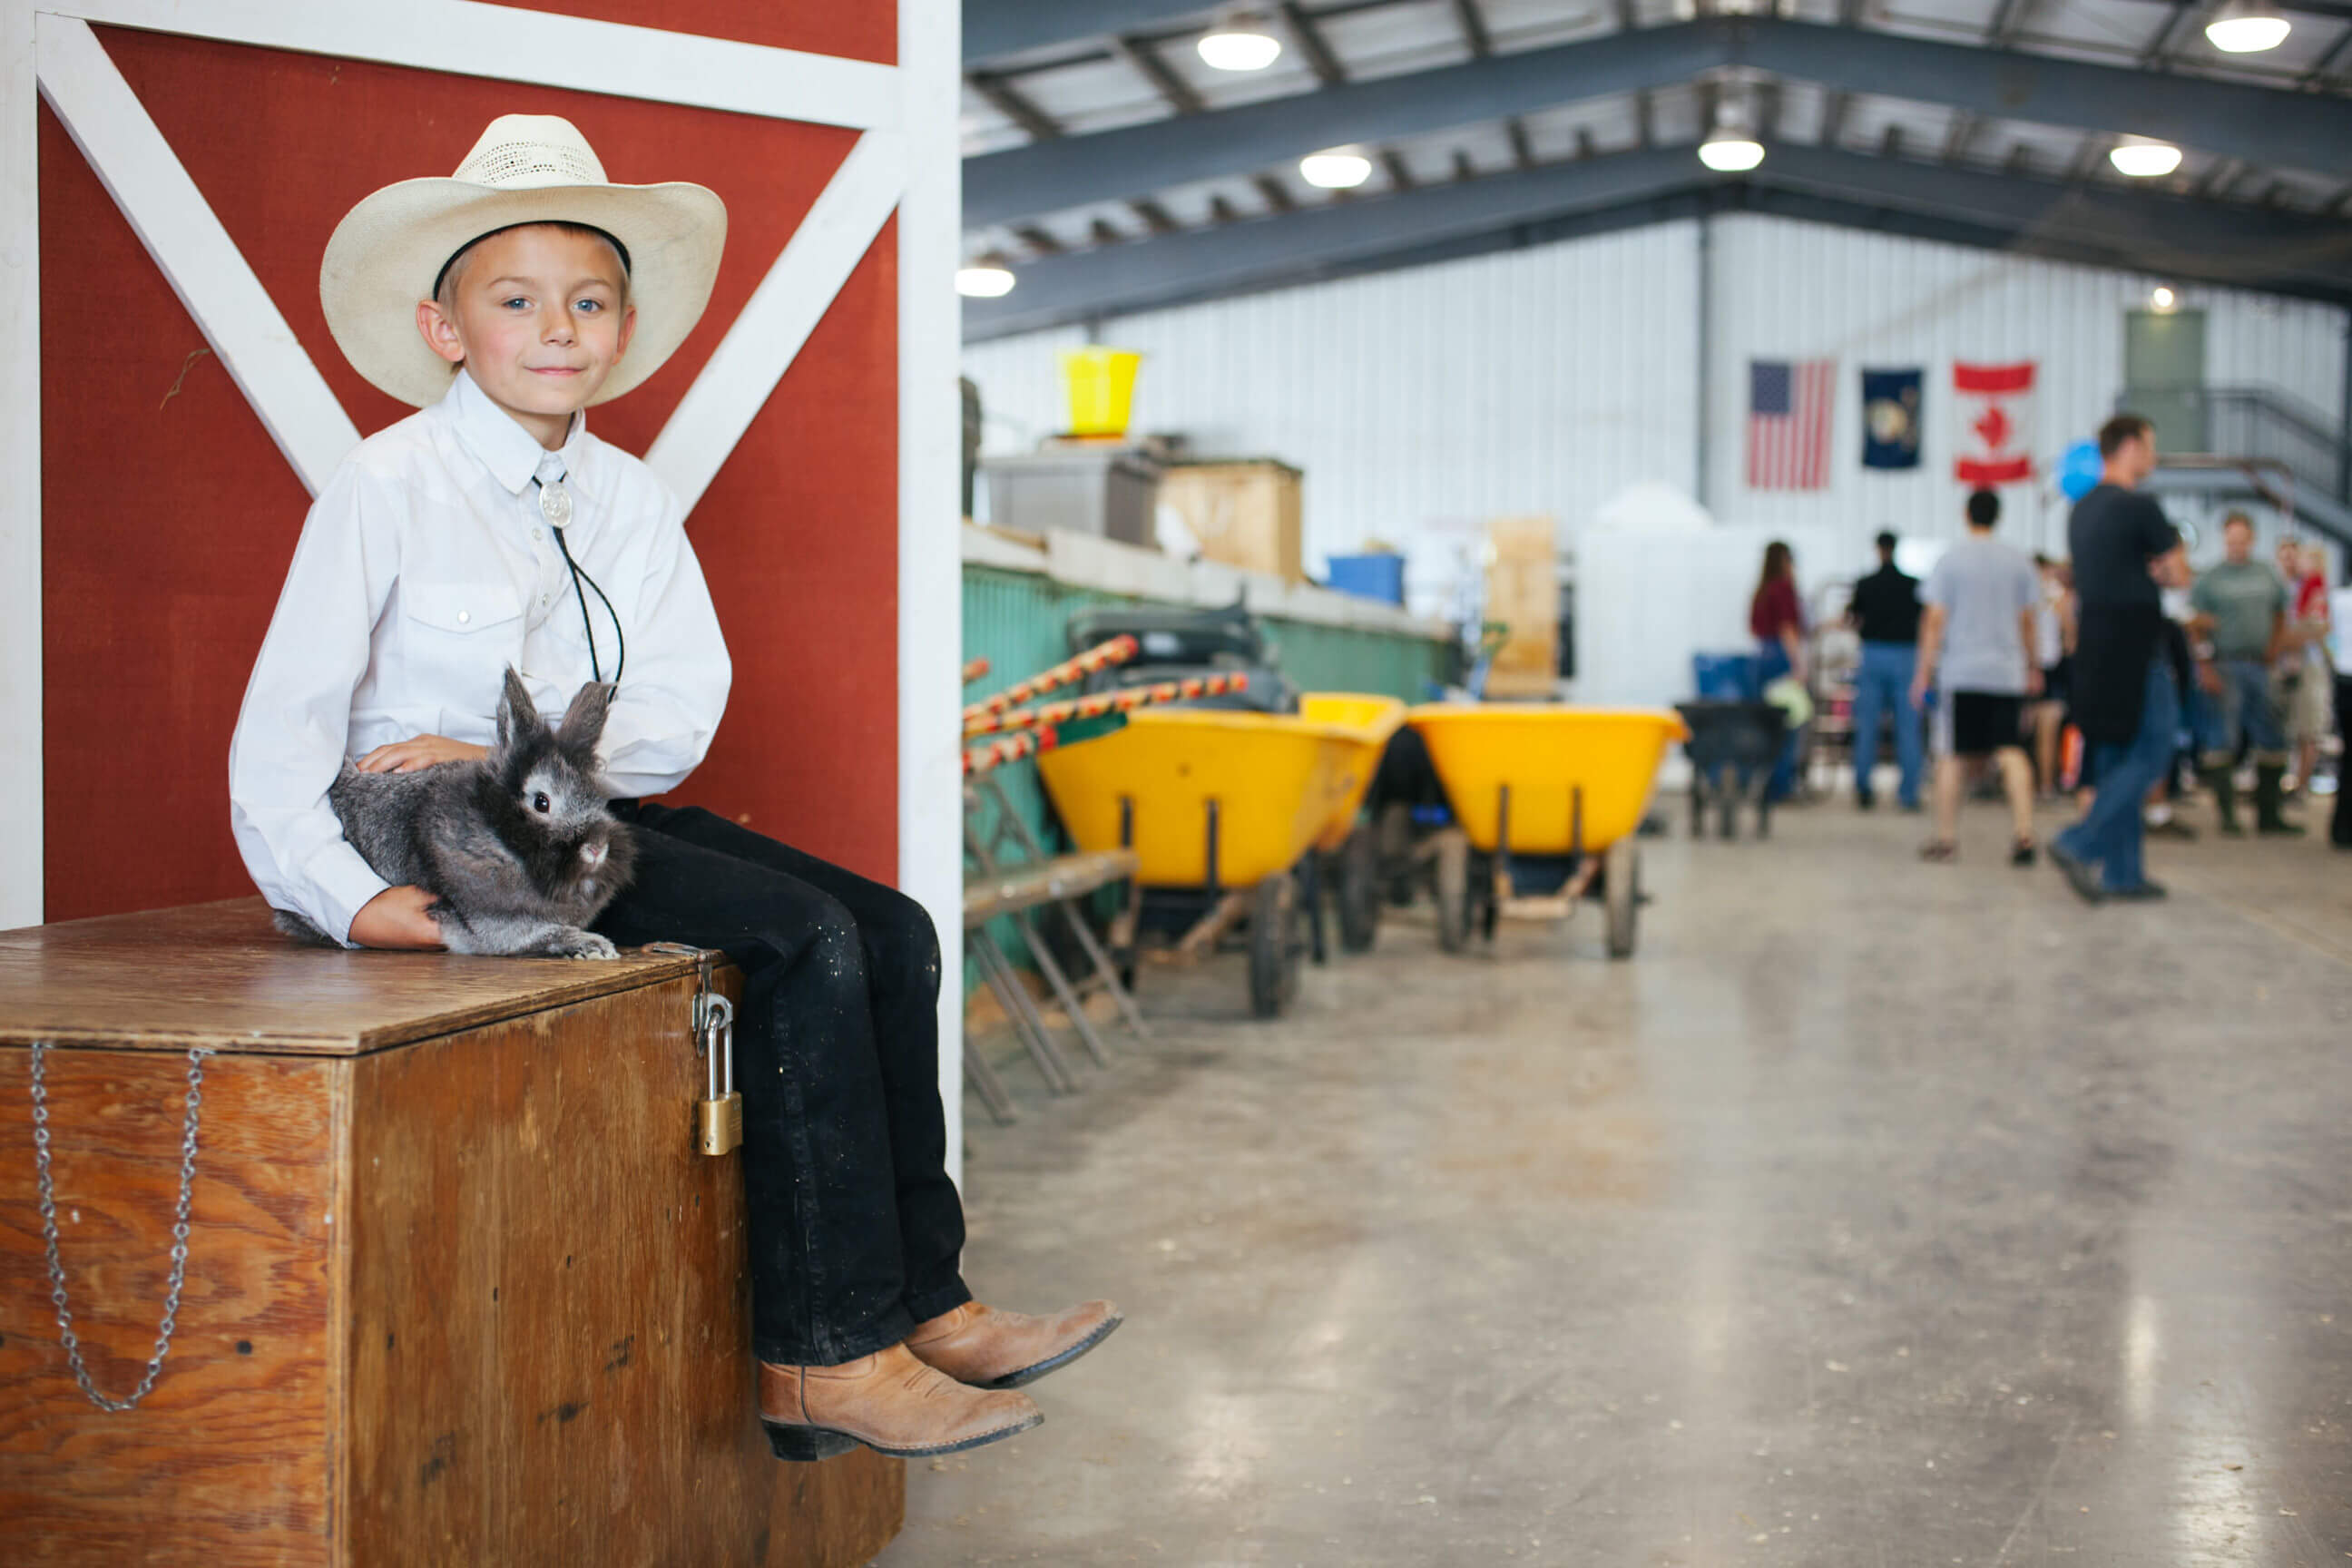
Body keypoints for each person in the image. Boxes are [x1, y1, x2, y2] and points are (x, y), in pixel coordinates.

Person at [228, 116, 1116, 1464]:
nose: (557, 328)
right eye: (515, 300)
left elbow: (680, 717)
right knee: (800, 940)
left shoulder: (632, 499)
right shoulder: (386, 485)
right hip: (441, 854)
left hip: (573, 822)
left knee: (894, 929)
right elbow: (283, 729)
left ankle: (926, 1301)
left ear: (625, 327)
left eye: (588, 301)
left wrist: (489, 744)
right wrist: (354, 908)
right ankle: (824, 1357)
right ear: (444, 326)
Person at [2049, 414, 2190, 903]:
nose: (2154, 456)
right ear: (2129, 447)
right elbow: (2178, 573)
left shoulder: (2080, 510)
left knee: (2113, 756)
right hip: (2136, 643)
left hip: (2094, 645)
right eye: (2150, 446)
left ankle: (2123, 874)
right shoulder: (2141, 506)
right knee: (2154, 749)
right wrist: (2162, 569)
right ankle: (2079, 842)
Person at [1911, 491, 2043, 864]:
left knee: (1952, 754)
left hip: (1962, 672)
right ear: (1998, 516)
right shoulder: (2019, 562)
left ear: (1966, 514)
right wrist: (2033, 667)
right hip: (2006, 672)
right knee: (2011, 751)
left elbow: (1935, 620)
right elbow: (2028, 621)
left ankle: (1946, 838)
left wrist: (1923, 673)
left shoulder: (1950, 560)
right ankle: (2024, 834)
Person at [2187, 512, 2300, 837]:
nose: (2236, 546)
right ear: (2225, 541)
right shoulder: (2211, 578)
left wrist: (2276, 648)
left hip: (2262, 666)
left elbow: (2280, 614)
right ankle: (2228, 817)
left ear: (2251, 539)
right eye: (2231, 541)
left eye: (2242, 540)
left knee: (2273, 735)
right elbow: (2197, 627)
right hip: (2225, 665)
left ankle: (2269, 815)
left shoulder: (2267, 573)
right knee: (2223, 737)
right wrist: (2204, 666)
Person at [1846, 530, 1925, 810]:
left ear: (1878, 549)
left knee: (1867, 725)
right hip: (1906, 655)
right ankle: (1909, 794)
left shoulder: (1865, 584)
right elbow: (1924, 620)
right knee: (1908, 727)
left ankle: (1864, 789)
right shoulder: (1912, 584)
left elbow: (1853, 618)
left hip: (1873, 653)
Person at [1750, 540, 1807, 800]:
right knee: (1788, 724)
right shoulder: (1784, 588)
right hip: (1781, 659)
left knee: (1769, 726)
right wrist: (1798, 664)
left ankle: (1770, 782)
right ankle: (1781, 786)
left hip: (1763, 658)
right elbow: (1787, 628)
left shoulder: (1762, 590)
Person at [2278, 538, 2334, 796]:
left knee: (2309, 729)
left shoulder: (2316, 590)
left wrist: (2290, 637)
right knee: (2286, 727)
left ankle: (2300, 786)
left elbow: (2319, 629)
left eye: (2296, 557)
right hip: (2284, 665)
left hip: (2308, 666)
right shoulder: (2287, 590)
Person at [2029, 555, 2075, 798]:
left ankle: (2040, 784)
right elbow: (2070, 641)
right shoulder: (2058, 600)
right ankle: (2046, 785)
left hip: (2030, 668)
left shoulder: (2026, 600)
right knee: (2047, 732)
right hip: (2050, 669)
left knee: (2035, 732)